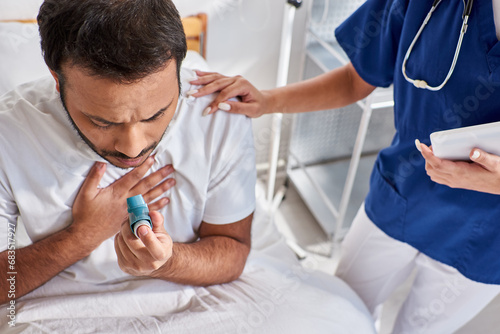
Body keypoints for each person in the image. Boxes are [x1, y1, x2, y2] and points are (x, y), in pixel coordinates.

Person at [0, 1, 379, 332]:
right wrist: (81, 237)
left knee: (349, 322)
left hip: (197, 293)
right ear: (57, 79)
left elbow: (232, 250)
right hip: (64, 306)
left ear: (177, 71)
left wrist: (165, 261)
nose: (134, 147)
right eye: (103, 121)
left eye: (157, 113)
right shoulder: (10, 132)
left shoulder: (214, 106)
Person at [189, 0, 500, 332]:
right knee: (340, 312)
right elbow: (355, 81)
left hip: (486, 239)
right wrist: (267, 101)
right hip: (404, 193)